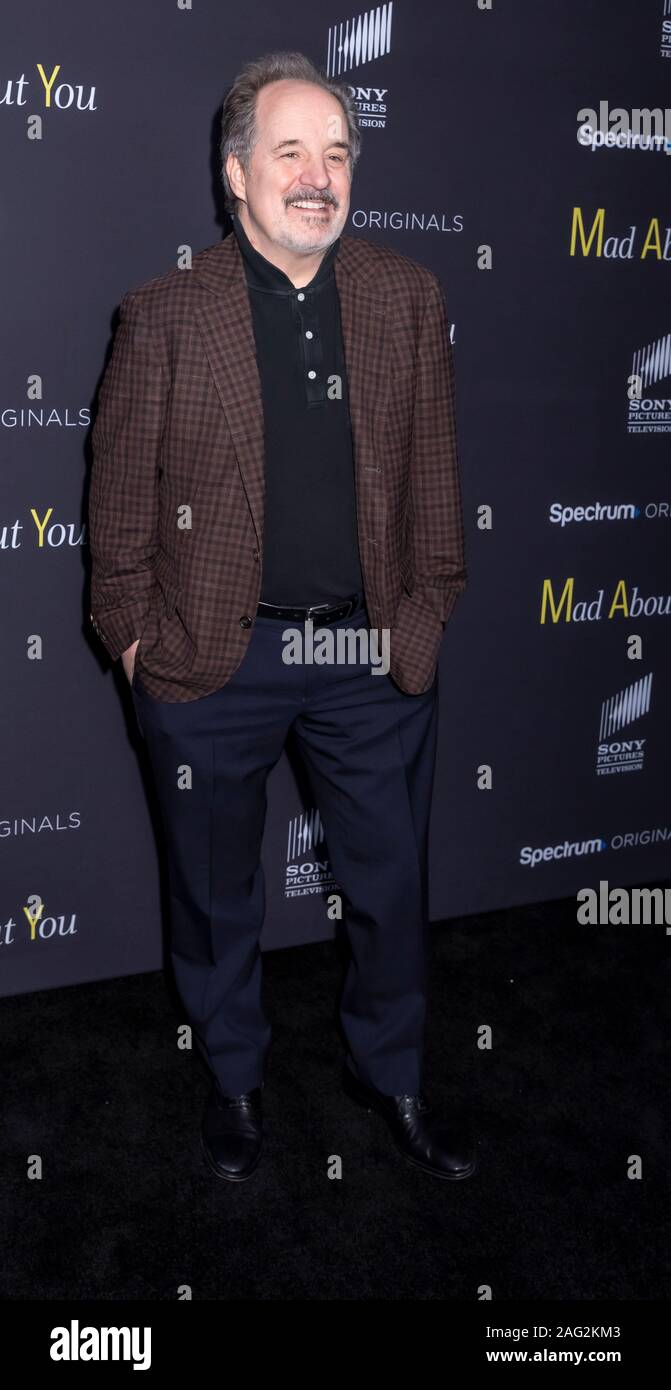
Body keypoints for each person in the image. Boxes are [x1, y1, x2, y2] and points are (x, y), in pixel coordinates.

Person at [88, 50, 474, 1183]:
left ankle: (390, 1074)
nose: (318, 176)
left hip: (365, 649)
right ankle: (236, 1080)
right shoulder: (161, 315)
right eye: (290, 152)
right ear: (236, 175)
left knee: (392, 884)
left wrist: (422, 613)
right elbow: (114, 507)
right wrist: (135, 638)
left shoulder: (407, 297)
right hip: (215, 656)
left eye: (337, 153)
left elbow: (438, 484)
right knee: (215, 894)